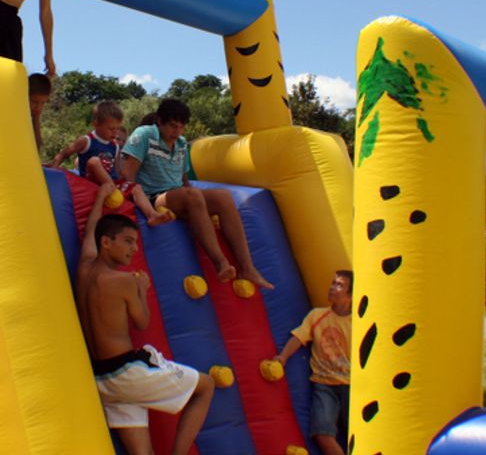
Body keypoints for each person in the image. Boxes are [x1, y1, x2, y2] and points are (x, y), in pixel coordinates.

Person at [77, 208, 214, 455]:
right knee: (206, 385)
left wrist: (100, 197)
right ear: (106, 243)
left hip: (103, 379)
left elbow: (91, 232)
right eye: (128, 241)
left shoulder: (84, 269)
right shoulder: (123, 281)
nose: (134, 249)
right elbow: (142, 322)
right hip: (127, 373)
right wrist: (142, 289)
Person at [120, 99, 273, 289]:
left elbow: (183, 178)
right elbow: (128, 174)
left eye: (181, 127)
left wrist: (198, 204)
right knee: (191, 196)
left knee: (223, 197)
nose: (176, 132)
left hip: (178, 194)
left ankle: (248, 268)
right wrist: (133, 200)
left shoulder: (182, 144)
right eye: (172, 126)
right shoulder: (145, 134)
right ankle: (221, 263)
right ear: (159, 121)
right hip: (154, 196)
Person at [50, 101, 171, 226]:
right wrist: (54, 166)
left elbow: (117, 170)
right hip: (91, 182)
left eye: (117, 128)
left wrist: (126, 182)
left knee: (136, 187)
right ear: (96, 124)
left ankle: (152, 215)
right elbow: (65, 153)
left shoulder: (115, 146)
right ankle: (111, 188)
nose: (115, 133)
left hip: (112, 184)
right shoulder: (86, 140)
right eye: (111, 128)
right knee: (94, 161)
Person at [274, 270, 353, 455]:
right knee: (322, 433)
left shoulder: (357, 322)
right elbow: (299, 337)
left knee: (359, 432)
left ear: (350, 296)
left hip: (352, 384)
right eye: (333, 283)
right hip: (324, 384)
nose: (332, 288)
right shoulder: (318, 316)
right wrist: (283, 357)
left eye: (339, 285)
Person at [28, 73, 51, 154]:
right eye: (34, 102)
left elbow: (36, 149)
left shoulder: (34, 114)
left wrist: (36, 117)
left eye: (43, 103)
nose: (38, 107)